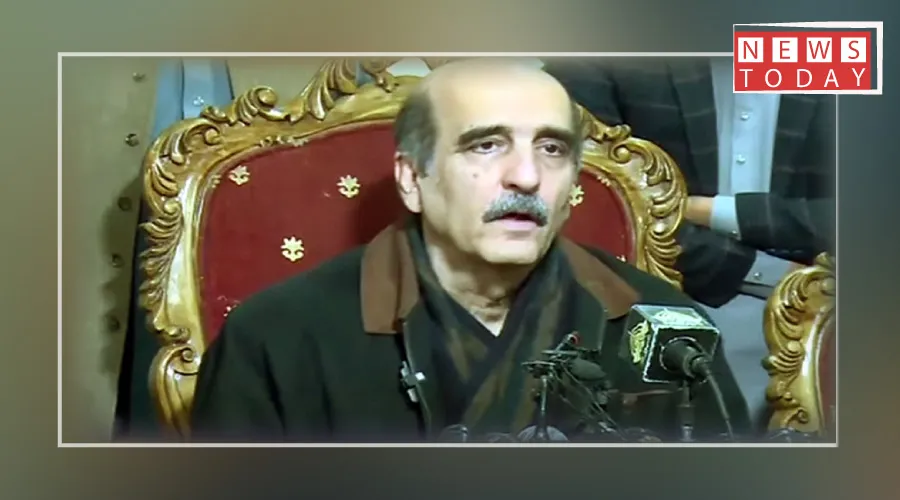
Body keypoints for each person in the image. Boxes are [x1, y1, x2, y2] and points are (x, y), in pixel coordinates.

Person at [190, 59, 751, 443]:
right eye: (486, 145)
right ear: (412, 178)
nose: (526, 176)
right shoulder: (277, 340)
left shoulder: (667, 330)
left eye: (552, 149)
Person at [545, 57, 836, 427]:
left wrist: (711, 211)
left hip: (834, 302)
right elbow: (592, 206)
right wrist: (766, 272)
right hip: (655, 302)